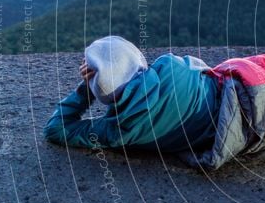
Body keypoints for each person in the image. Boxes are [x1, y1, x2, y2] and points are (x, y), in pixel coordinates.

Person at [44, 36, 220, 152]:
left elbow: (55, 129)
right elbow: (211, 72)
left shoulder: (120, 130)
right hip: (239, 90)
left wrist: (87, 87)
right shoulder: (173, 66)